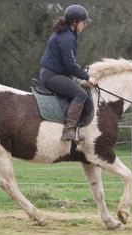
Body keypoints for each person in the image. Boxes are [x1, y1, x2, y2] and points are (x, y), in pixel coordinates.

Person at [39, 4, 98, 142]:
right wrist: (87, 77)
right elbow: (71, 66)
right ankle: (69, 130)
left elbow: (70, 64)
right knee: (81, 94)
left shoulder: (67, 34)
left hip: (53, 74)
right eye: (83, 22)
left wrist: (82, 73)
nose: (85, 25)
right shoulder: (67, 38)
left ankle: (76, 128)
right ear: (74, 22)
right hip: (52, 76)